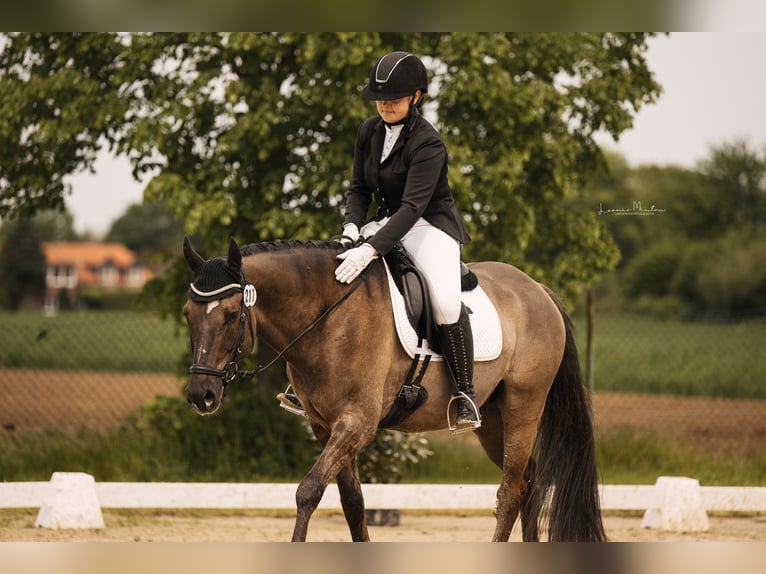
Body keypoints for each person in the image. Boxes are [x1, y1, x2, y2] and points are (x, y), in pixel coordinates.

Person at [334, 51, 480, 432]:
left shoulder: (428, 143)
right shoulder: (368, 131)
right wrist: (351, 228)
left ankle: (466, 393)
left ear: (416, 96)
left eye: (394, 98)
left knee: (446, 303)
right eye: (380, 98)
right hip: (385, 222)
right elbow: (358, 188)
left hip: (429, 227)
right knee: (336, 276)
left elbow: (413, 207)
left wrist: (370, 248)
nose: (385, 104)